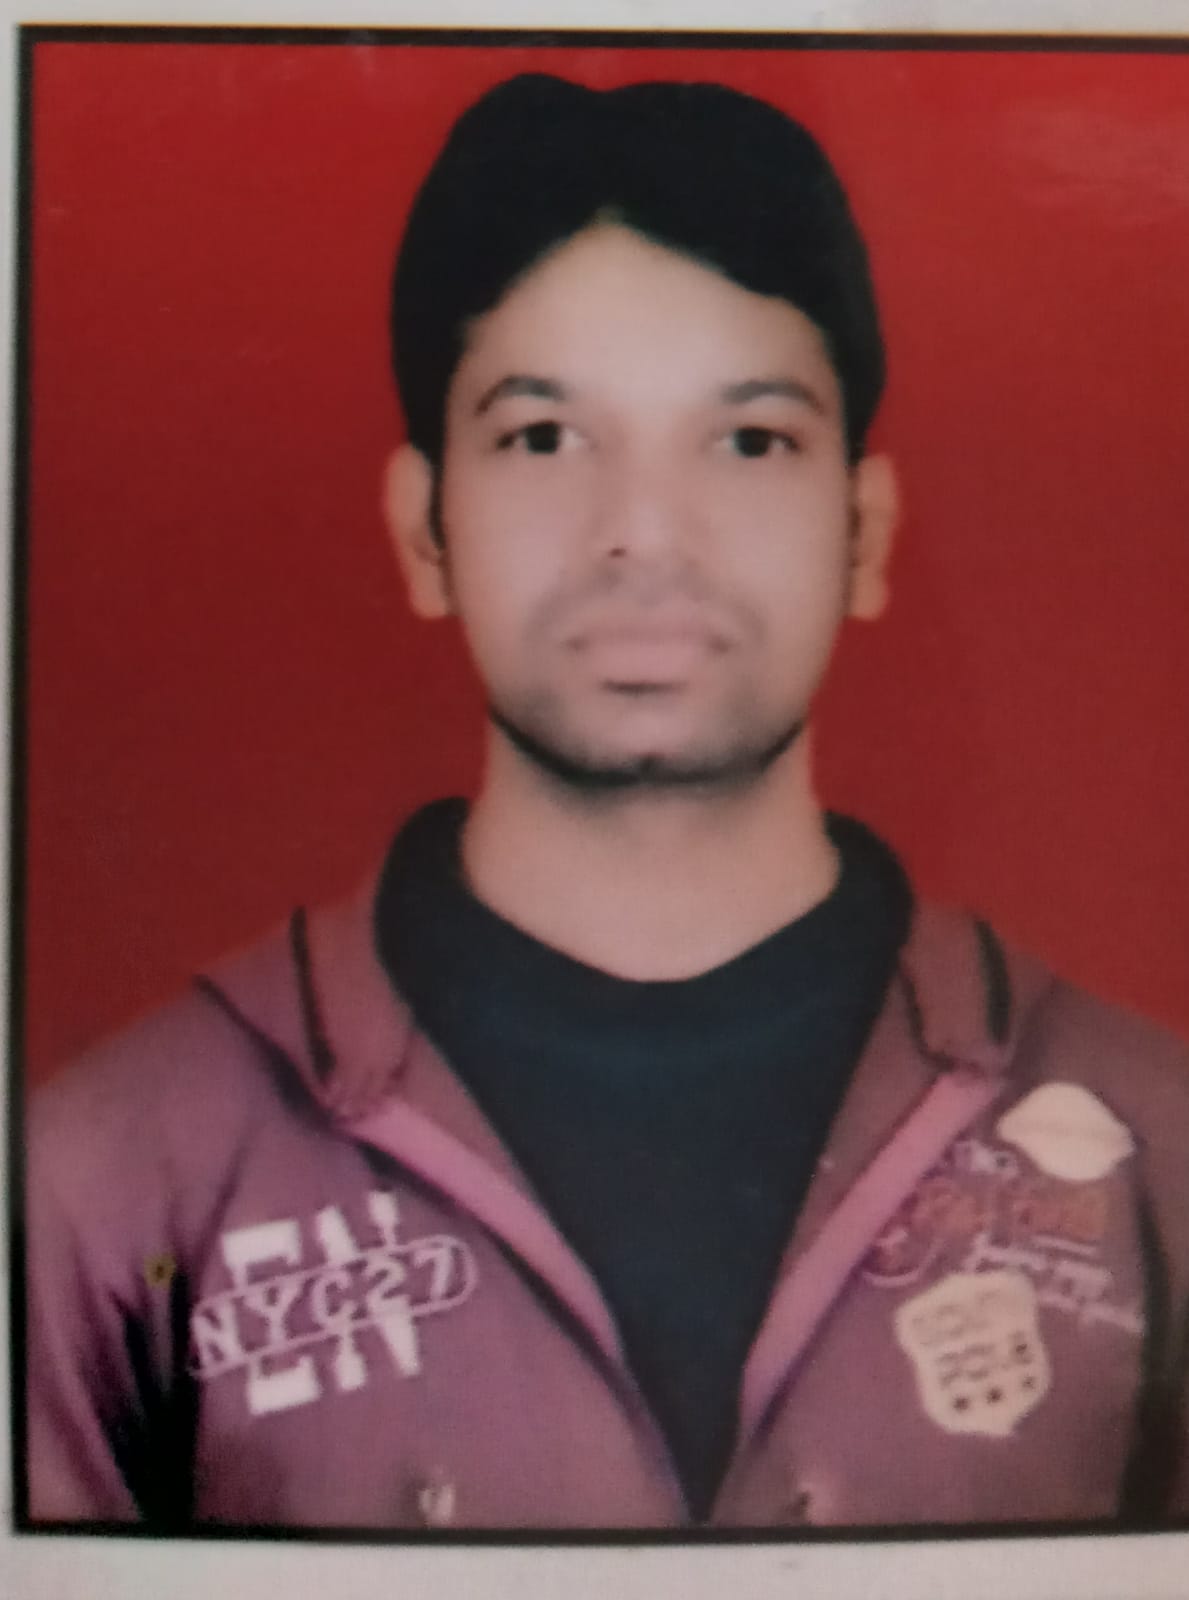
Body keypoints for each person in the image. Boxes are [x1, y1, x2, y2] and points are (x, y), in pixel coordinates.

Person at [25, 73, 1189, 1533]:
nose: (643, 531)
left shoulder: (1152, 1149)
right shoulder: (112, 1178)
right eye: (542, 437)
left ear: (865, 529)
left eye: (750, 439)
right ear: (423, 527)